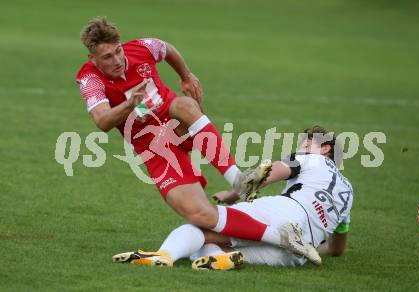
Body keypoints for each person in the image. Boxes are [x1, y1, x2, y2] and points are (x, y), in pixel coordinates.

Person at [76, 17, 290, 264]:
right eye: (107, 57)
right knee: (200, 215)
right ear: (93, 59)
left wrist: (186, 76)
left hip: (175, 120)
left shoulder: (142, 47)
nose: (117, 60)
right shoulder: (89, 79)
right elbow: (102, 122)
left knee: (186, 105)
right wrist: (129, 104)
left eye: (118, 51)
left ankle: (239, 181)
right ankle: (232, 248)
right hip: (153, 147)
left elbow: (166, 48)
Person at [112, 126, 353, 269]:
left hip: (284, 214)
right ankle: (219, 260)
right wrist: (311, 248)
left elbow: (267, 174)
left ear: (325, 149)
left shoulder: (312, 159)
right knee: (213, 249)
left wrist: (232, 193)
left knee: (201, 224)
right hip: (294, 256)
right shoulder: (348, 193)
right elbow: (336, 247)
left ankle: (164, 255)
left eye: (307, 142)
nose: (302, 146)